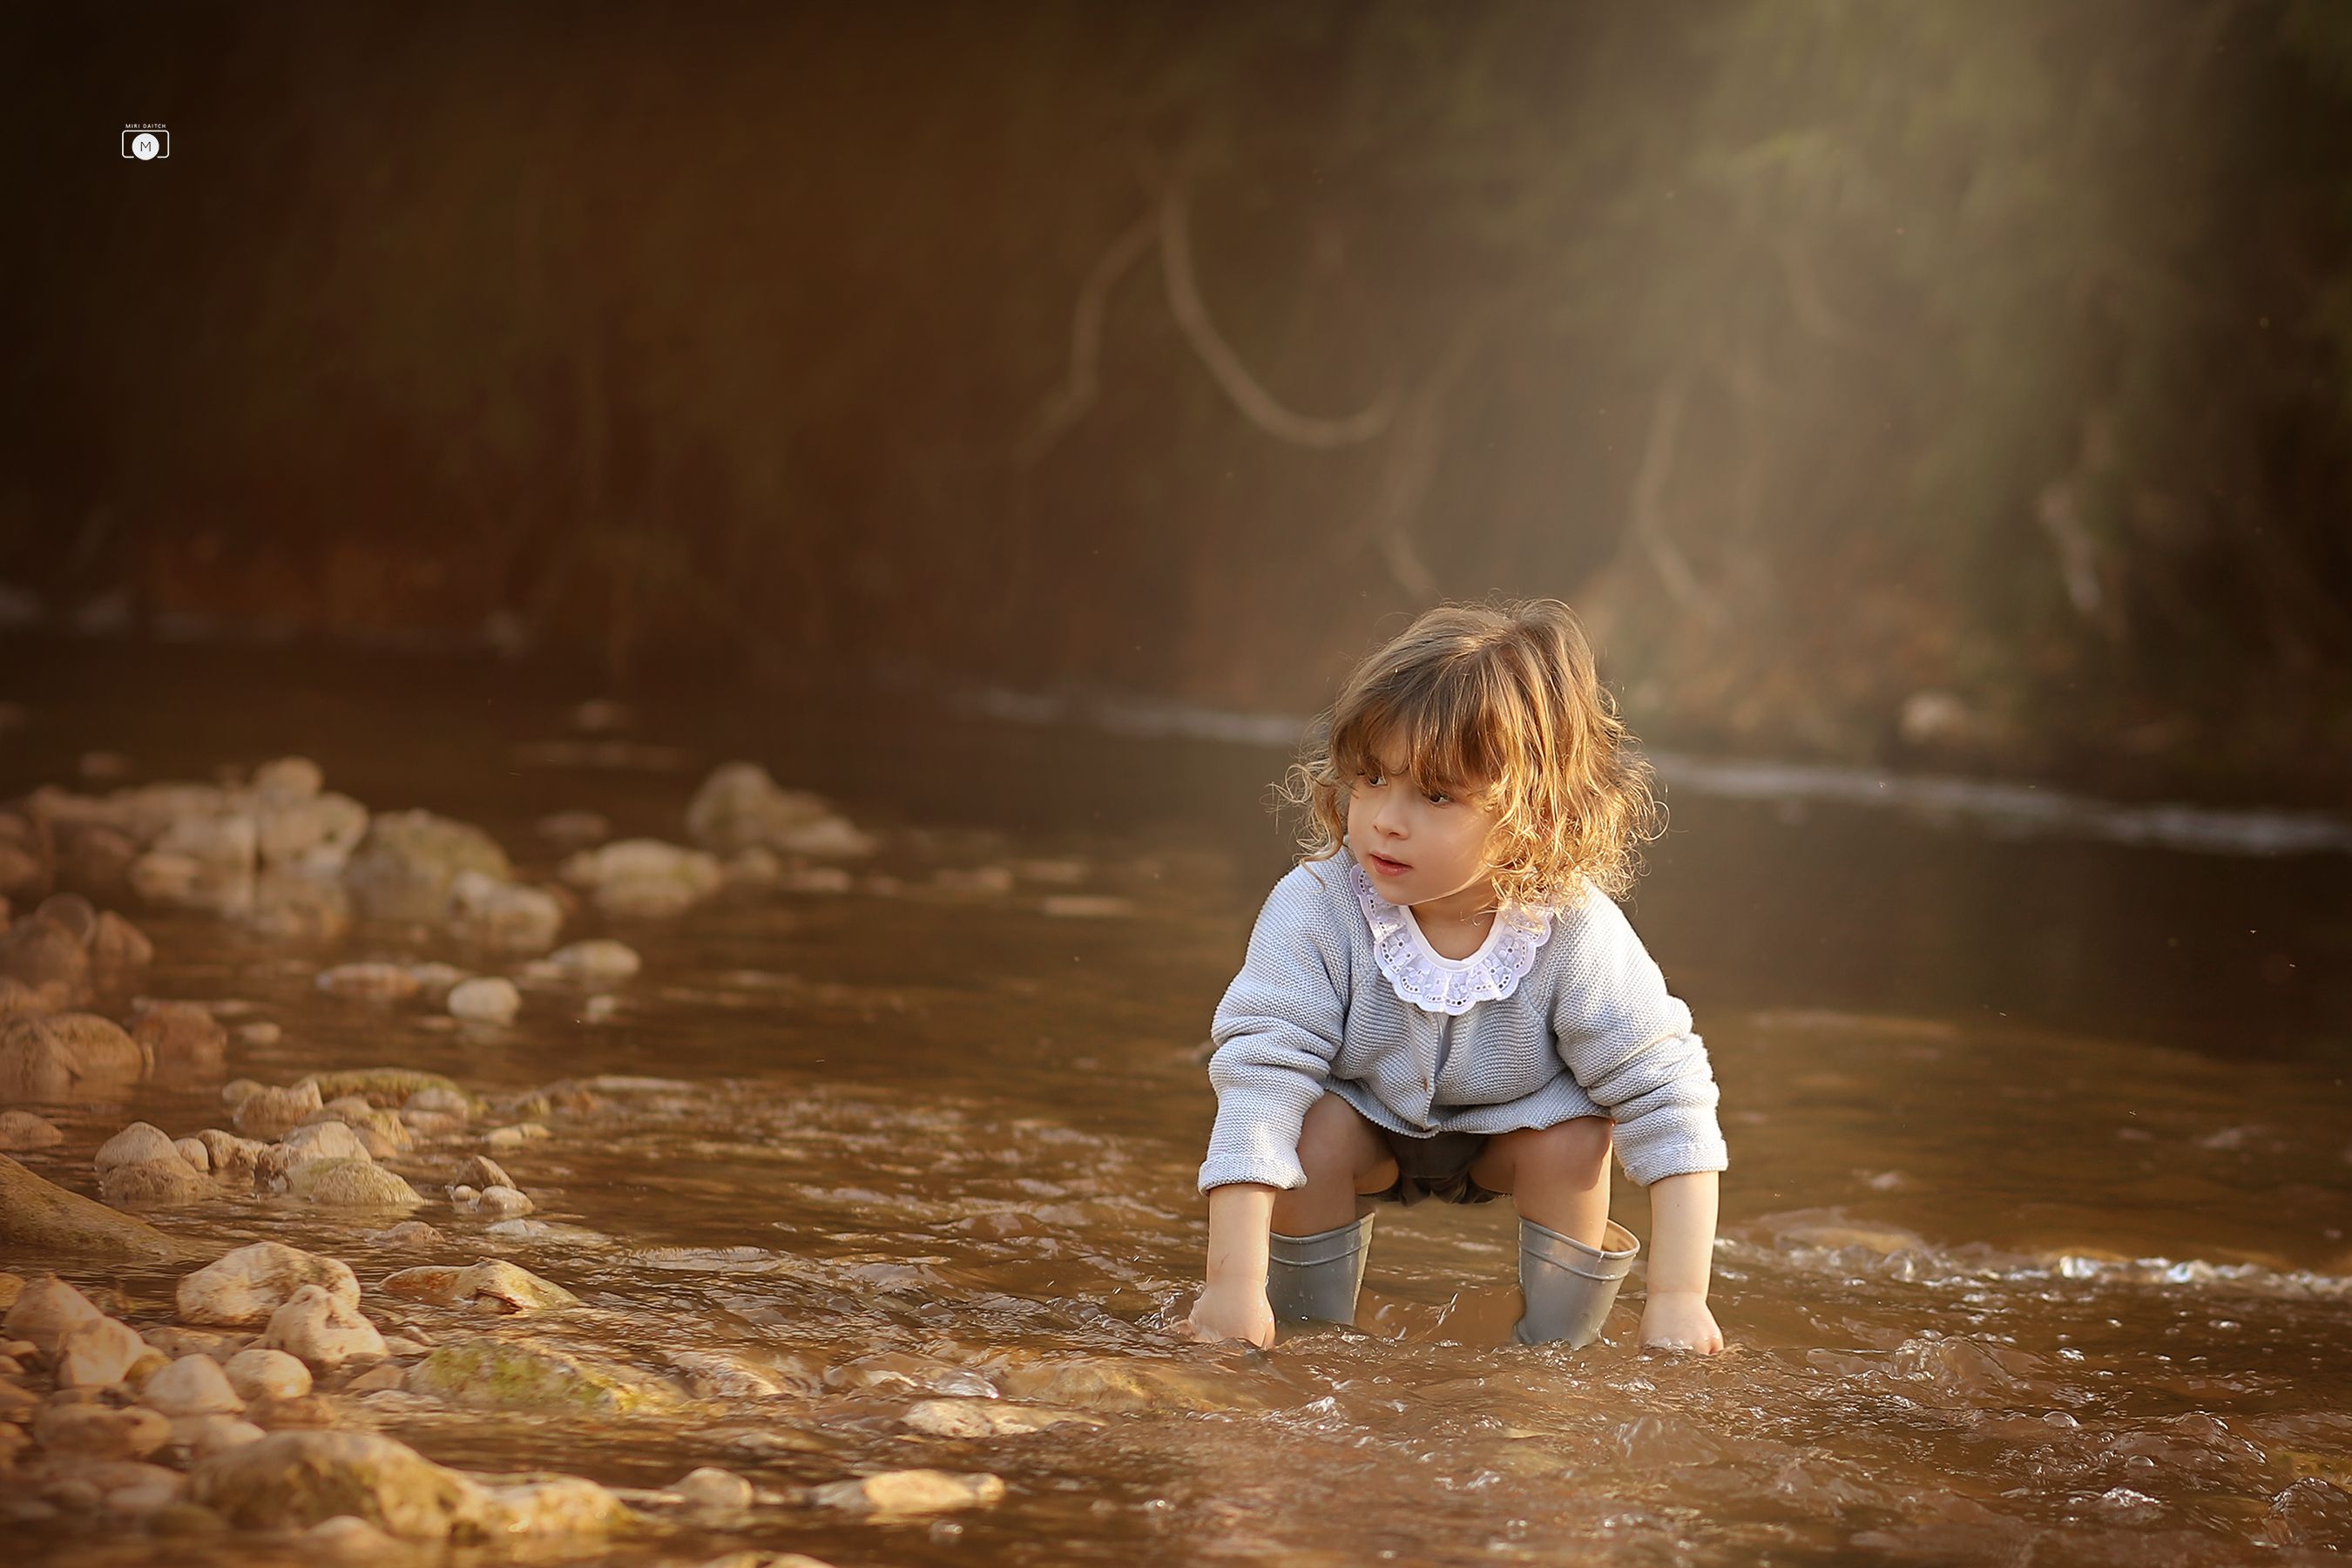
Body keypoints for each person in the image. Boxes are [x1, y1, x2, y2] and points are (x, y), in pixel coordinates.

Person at [1186, 598, 1728, 1352]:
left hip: (1513, 1132)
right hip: (1363, 1127)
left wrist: (1679, 1299)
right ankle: (1306, 1340)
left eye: (1436, 796)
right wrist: (1231, 1289)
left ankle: (1554, 1358)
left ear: (1535, 818)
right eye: (1372, 779)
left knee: (1580, 1133)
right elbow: (1259, 1082)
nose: (1386, 820)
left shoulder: (1571, 926)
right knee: (1309, 1126)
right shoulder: (1316, 908)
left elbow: (1668, 1095)